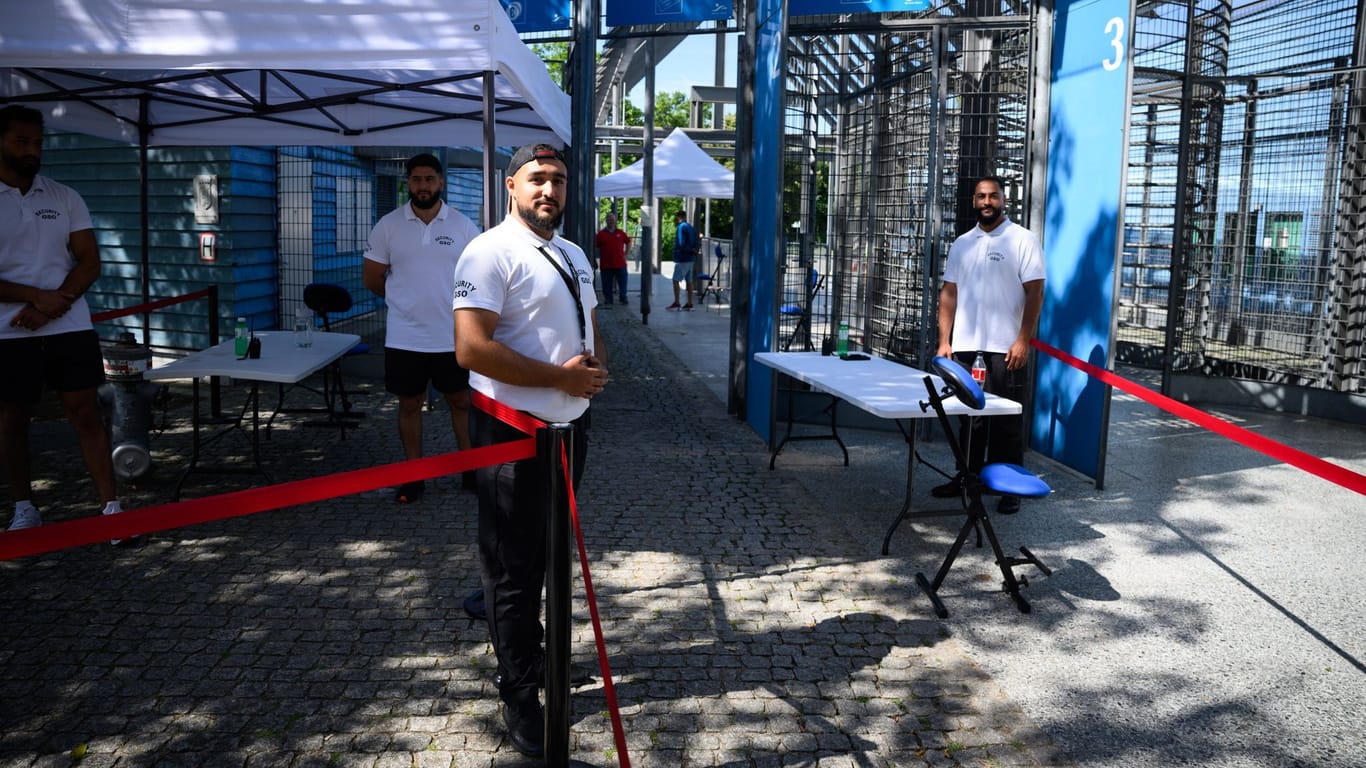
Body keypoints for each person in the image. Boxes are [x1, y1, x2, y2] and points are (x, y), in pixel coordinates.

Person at [453, 143, 607, 759]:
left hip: (570, 432)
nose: (550, 189)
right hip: (513, 433)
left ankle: (540, 659)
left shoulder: (571, 251)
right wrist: (560, 380)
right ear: (511, 185)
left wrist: (593, 372)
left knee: (548, 557)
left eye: (559, 180)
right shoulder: (488, 250)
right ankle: (518, 691)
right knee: (512, 572)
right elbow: (469, 348)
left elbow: (590, 326)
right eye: (537, 179)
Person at [0, 105, 125, 533]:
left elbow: (90, 261)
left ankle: (111, 509)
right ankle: (24, 507)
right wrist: (35, 299)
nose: (32, 150)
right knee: (13, 418)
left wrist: (55, 303)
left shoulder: (64, 195)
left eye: (37, 142)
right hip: (8, 330)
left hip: (69, 323)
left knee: (85, 412)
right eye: (21, 141)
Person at [363, 153, 481, 503]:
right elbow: (372, 278)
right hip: (406, 337)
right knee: (410, 405)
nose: (423, 186)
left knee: (461, 402)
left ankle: (470, 472)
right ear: (408, 183)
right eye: (417, 179)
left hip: (452, 335)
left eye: (430, 179)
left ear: (441, 182)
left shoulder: (462, 225)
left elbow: (477, 277)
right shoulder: (388, 225)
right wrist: (404, 300)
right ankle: (414, 476)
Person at [933, 175, 1045, 515]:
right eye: (981, 196)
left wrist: (1023, 340)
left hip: (1006, 349)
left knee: (1006, 421)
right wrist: (944, 342)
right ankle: (966, 477)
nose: (986, 202)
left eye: (993, 196)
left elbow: (1036, 291)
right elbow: (949, 293)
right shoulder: (962, 244)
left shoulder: (1022, 240)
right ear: (973, 201)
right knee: (970, 419)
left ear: (1003, 200)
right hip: (966, 349)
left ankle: (1010, 488)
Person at [594, 211, 631, 305]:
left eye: (612, 219)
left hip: (620, 263)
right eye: (609, 219)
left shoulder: (621, 233)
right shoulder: (601, 234)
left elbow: (628, 242)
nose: (611, 221)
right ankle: (608, 299)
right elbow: (595, 246)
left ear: (615, 221)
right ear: (606, 221)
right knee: (606, 284)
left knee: (623, 283)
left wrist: (626, 254)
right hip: (606, 264)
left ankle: (623, 298)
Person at [667, 210, 700, 310]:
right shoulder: (691, 227)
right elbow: (696, 241)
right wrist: (694, 251)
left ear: (678, 217)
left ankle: (677, 302)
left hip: (683, 258)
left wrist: (688, 250)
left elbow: (681, 243)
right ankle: (689, 303)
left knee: (675, 280)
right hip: (691, 258)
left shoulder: (681, 227)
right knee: (689, 281)